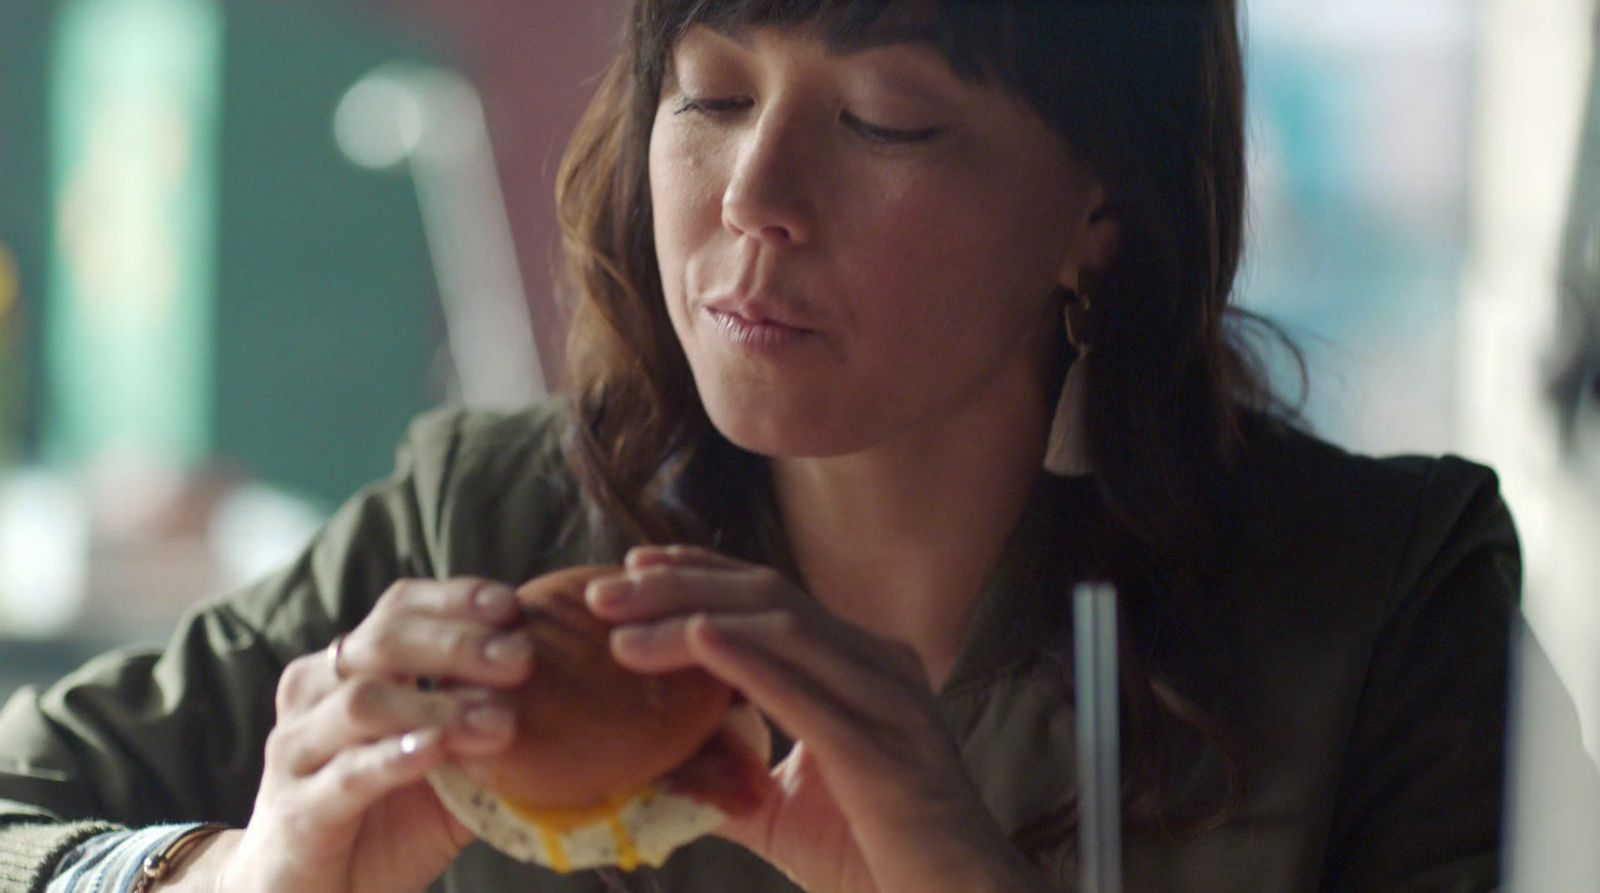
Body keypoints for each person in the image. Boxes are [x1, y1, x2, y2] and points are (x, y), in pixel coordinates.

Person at [0, 1, 1523, 890]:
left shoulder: (1375, 602)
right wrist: (229, 874)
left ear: (1101, 206)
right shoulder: (490, 522)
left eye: (884, 121)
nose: (755, 196)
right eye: (714, 95)